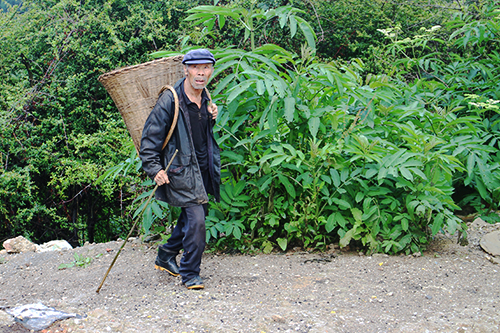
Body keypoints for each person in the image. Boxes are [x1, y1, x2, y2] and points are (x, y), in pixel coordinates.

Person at [140, 49, 221, 290]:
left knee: (192, 216)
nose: (201, 72)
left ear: (211, 71)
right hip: (182, 171)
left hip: (204, 169)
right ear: (185, 69)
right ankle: (190, 274)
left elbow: (199, 129)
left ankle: (165, 254)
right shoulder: (170, 100)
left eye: (206, 67)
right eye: (195, 67)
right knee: (196, 221)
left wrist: (212, 116)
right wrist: (154, 168)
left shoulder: (205, 96)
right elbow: (149, 138)